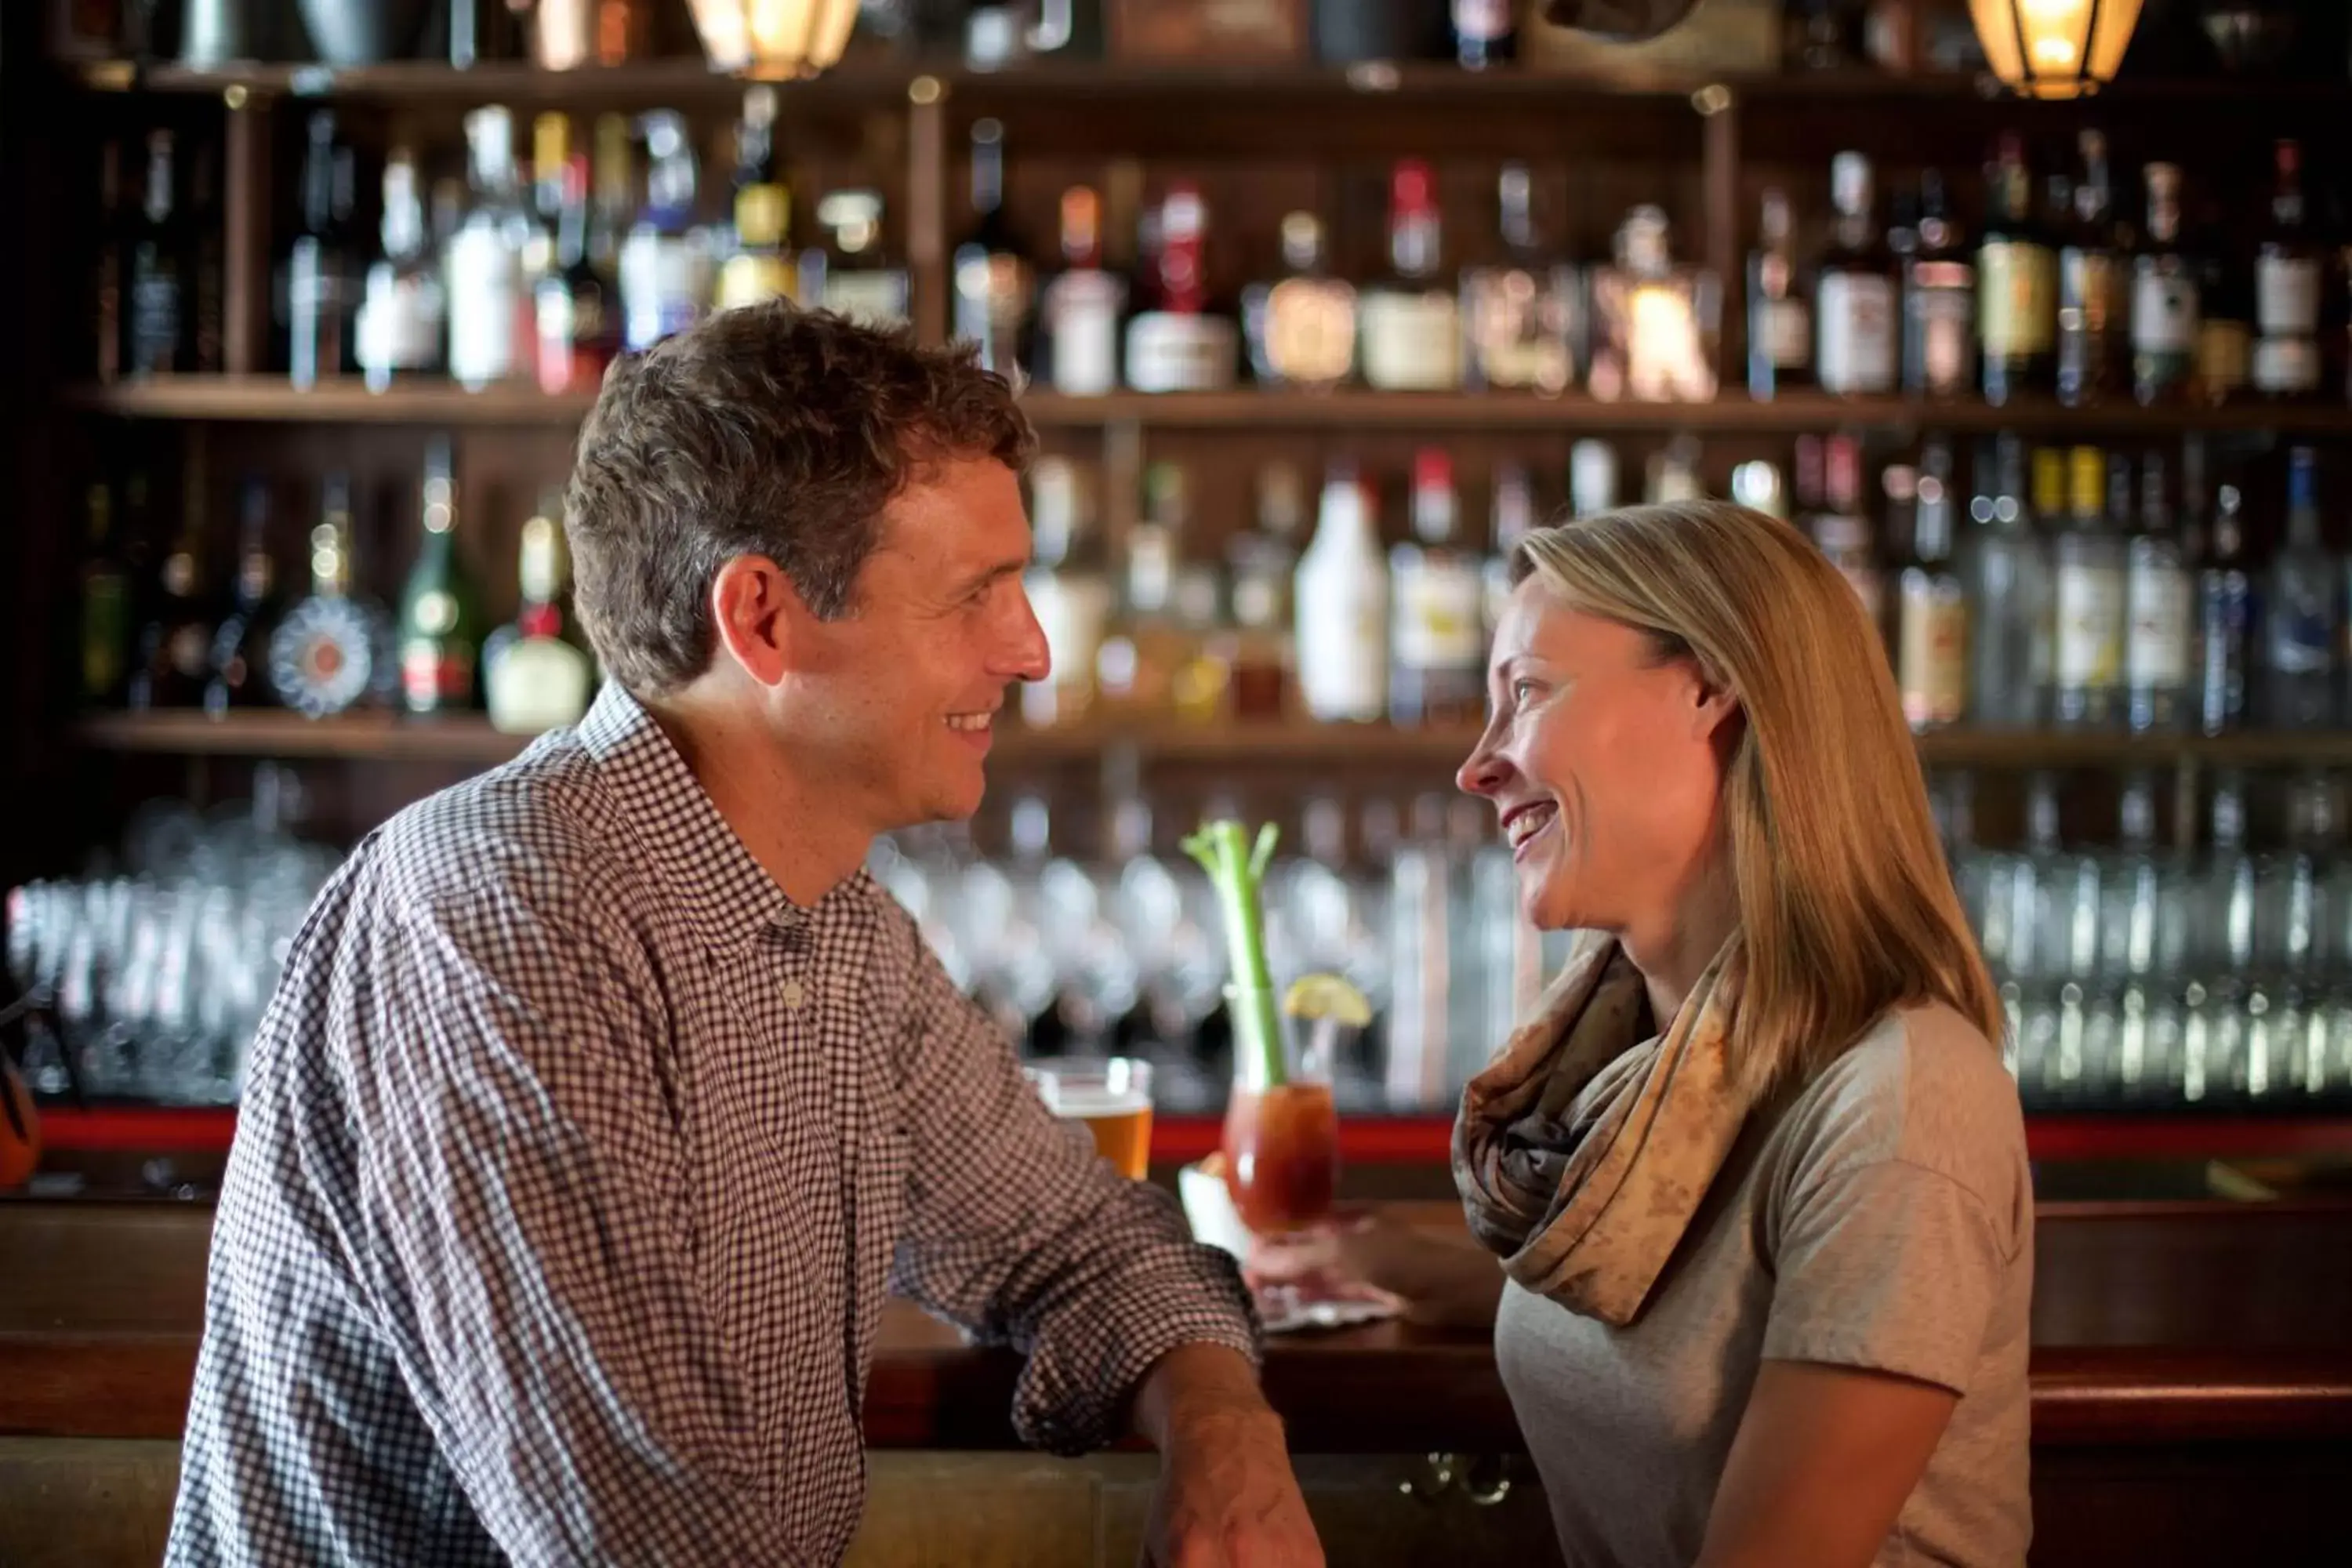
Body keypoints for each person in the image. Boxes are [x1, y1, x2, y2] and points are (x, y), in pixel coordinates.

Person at [165, 303, 1323, 1568]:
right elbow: (647, 1541)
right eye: (976, 595)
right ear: (763, 619)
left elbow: (1083, 1241)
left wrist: (1222, 1429)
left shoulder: (833, 927)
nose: (1033, 649)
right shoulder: (498, 917)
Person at [1284, 499, 2033, 1568]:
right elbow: (1691, 1317)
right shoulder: (1639, 1072)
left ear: (1713, 685)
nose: (1478, 765)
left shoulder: (1901, 1101)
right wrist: (1386, 1265)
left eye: (1527, 693)